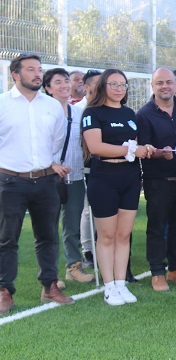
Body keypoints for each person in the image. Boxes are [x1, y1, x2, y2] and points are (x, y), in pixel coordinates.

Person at [0, 54, 75, 314]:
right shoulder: (2, 104)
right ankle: (4, 290)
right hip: (9, 181)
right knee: (7, 239)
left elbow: (56, 141)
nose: (37, 74)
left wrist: (49, 165)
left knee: (48, 237)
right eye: (30, 69)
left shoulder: (52, 106)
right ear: (15, 75)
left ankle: (50, 286)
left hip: (45, 181)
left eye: (39, 70)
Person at [82, 68, 155, 305]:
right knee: (107, 235)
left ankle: (121, 284)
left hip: (130, 176)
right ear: (103, 86)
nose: (118, 89)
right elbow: (96, 147)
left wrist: (143, 149)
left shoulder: (129, 113)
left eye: (123, 85)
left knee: (124, 235)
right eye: (113, 84)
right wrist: (132, 150)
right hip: (104, 177)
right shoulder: (92, 113)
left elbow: (133, 144)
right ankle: (109, 286)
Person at [136, 68, 176, 291]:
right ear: (153, 86)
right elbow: (145, 148)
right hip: (158, 180)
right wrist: (160, 152)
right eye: (159, 83)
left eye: (169, 82)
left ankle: (175, 268)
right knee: (157, 228)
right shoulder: (144, 114)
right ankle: (157, 272)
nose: (165, 86)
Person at [42, 68, 93, 284]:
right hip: (47, 178)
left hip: (75, 177)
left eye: (66, 81)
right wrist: (51, 165)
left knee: (72, 225)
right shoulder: (43, 113)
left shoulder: (78, 112)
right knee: (47, 228)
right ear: (48, 88)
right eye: (57, 82)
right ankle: (50, 275)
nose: (64, 85)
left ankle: (73, 267)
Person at [77, 69, 102, 269]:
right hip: (84, 168)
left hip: (106, 168)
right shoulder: (79, 110)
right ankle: (88, 251)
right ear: (86, 87)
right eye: (98, 84)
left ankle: (102, 248)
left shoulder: (110, 109)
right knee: (88, 210)